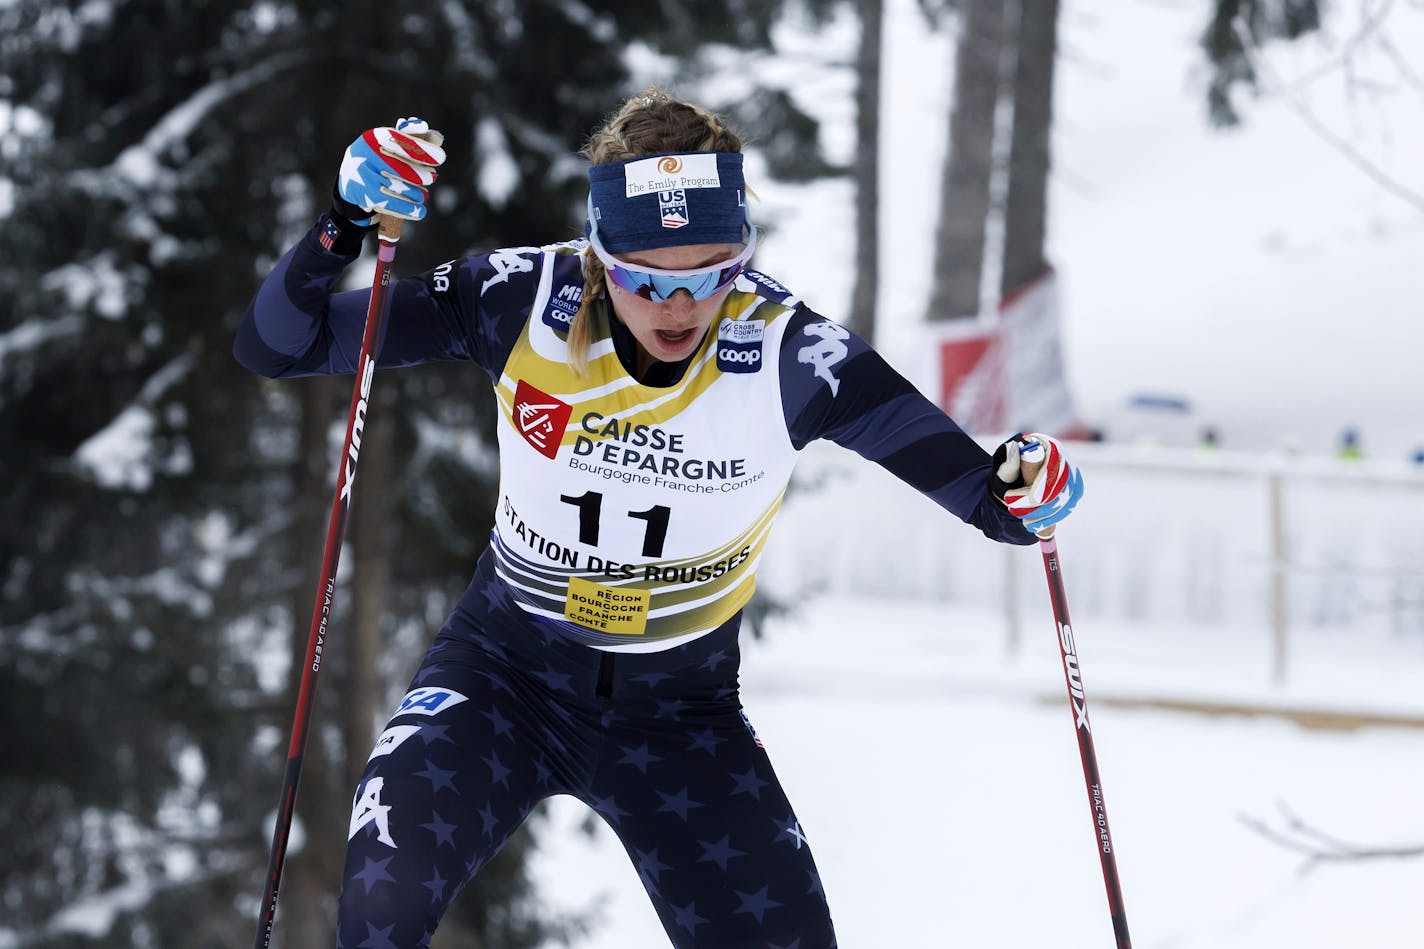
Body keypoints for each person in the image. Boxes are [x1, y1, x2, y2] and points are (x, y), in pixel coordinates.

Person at [235, 89, 1083, 949]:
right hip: (502, 679)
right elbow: (280, 344)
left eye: (715, 274)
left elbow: (990, 498)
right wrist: (344, 220)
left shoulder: (793, 356)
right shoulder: (519, 299)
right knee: (381, 907)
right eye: (648, 279)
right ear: (601, 256)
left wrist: (1025, 483)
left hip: (678, 714)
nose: (681, 308)